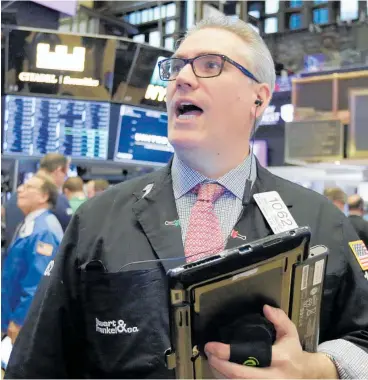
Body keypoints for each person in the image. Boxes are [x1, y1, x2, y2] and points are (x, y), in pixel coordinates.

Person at [5, 16, 368, 379]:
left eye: (210, 65)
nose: (181, 78)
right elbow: (39, 363)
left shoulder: (321, 221)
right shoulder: (98, 219)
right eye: (176, 67)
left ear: (259, 98)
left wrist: (324, 368)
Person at [1, 173, 63, 345]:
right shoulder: (30, 224)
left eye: (28, 187)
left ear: (43, 196)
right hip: (12, 314)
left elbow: (38, 282)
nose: (20, 189)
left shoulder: (44, 231)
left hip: (25, 323)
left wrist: (20, 320)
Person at [4, 154, 71, 249]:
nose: (20, 189)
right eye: (65, 174)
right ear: (58, 170)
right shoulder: (59, 201)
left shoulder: (16, 198)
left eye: (29, 187)